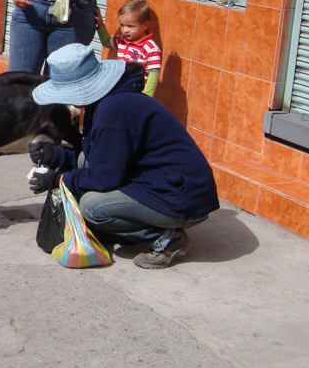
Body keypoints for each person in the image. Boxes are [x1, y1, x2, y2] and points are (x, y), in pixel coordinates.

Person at [28, 43, 219, 269]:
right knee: (82, 164)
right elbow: (98, 155)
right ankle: (134, 227)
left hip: (182, 197)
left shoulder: (113, 111)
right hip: (164, 181)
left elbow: (105, 177)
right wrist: (56, 156)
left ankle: (167, 238)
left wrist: (60, 179)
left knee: (92, 207)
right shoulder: (108, 101)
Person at [95, 0, 161, 97]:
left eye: (130, 26)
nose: (125, 30)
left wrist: (146, 97)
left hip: (137, 94)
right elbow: (107, 42)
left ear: (145, 25)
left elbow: (154, 74)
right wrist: (100, 24)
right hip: (120, 90)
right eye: (122, 25)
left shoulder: (150, 48)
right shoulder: (122, 40)